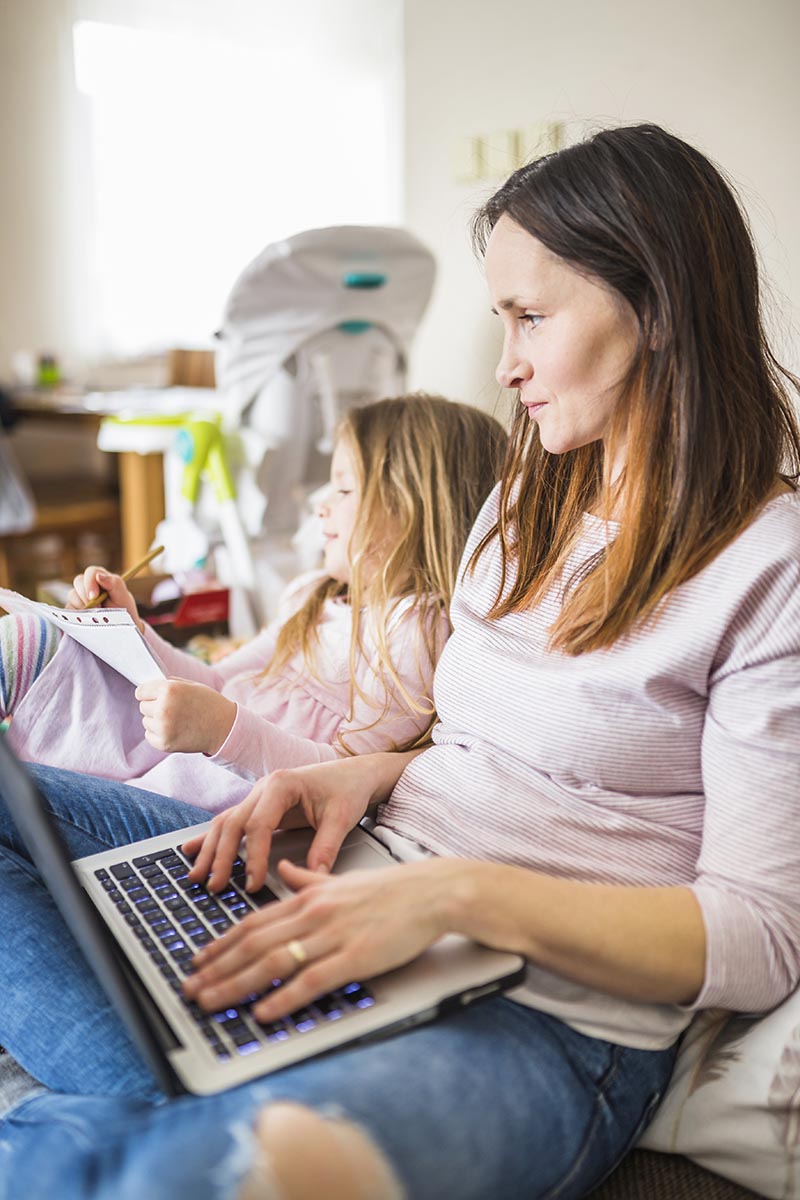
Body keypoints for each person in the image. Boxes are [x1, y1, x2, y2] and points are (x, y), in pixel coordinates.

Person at [1, 122, 800, 1200]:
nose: (505, 364)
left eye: (530, 317)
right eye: (498, 319)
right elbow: (477, 740)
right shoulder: (527, 502)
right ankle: (180, 1098)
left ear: (653, 305)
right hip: (354, 877)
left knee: (169, 1178)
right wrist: (357, 775)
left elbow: (756, 937)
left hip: (543, 1015)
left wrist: (455, 898)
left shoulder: (768, 566)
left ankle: (131, 1126)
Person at [0, 394, 507, 812]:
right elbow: (217, 681)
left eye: (345, 488)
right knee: (29, 637)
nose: (319, 503)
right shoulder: (310, 594)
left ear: (414, 510)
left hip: (218, 803)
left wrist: (223, 728)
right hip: (175, 761)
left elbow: (344, 777)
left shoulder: (411, 629)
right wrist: (131, 626)